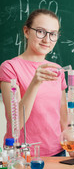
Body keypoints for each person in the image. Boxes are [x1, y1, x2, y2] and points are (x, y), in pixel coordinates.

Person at [0, 9, 68, 156]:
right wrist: (35, 83)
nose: (47, 39)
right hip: (22, 155)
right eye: (40, 31)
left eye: (53, 34)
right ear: (26, 31)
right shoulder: (10, 67)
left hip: (57, 153)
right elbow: (16, 123)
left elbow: (63, 117)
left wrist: (71, 143)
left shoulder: (57, 70)